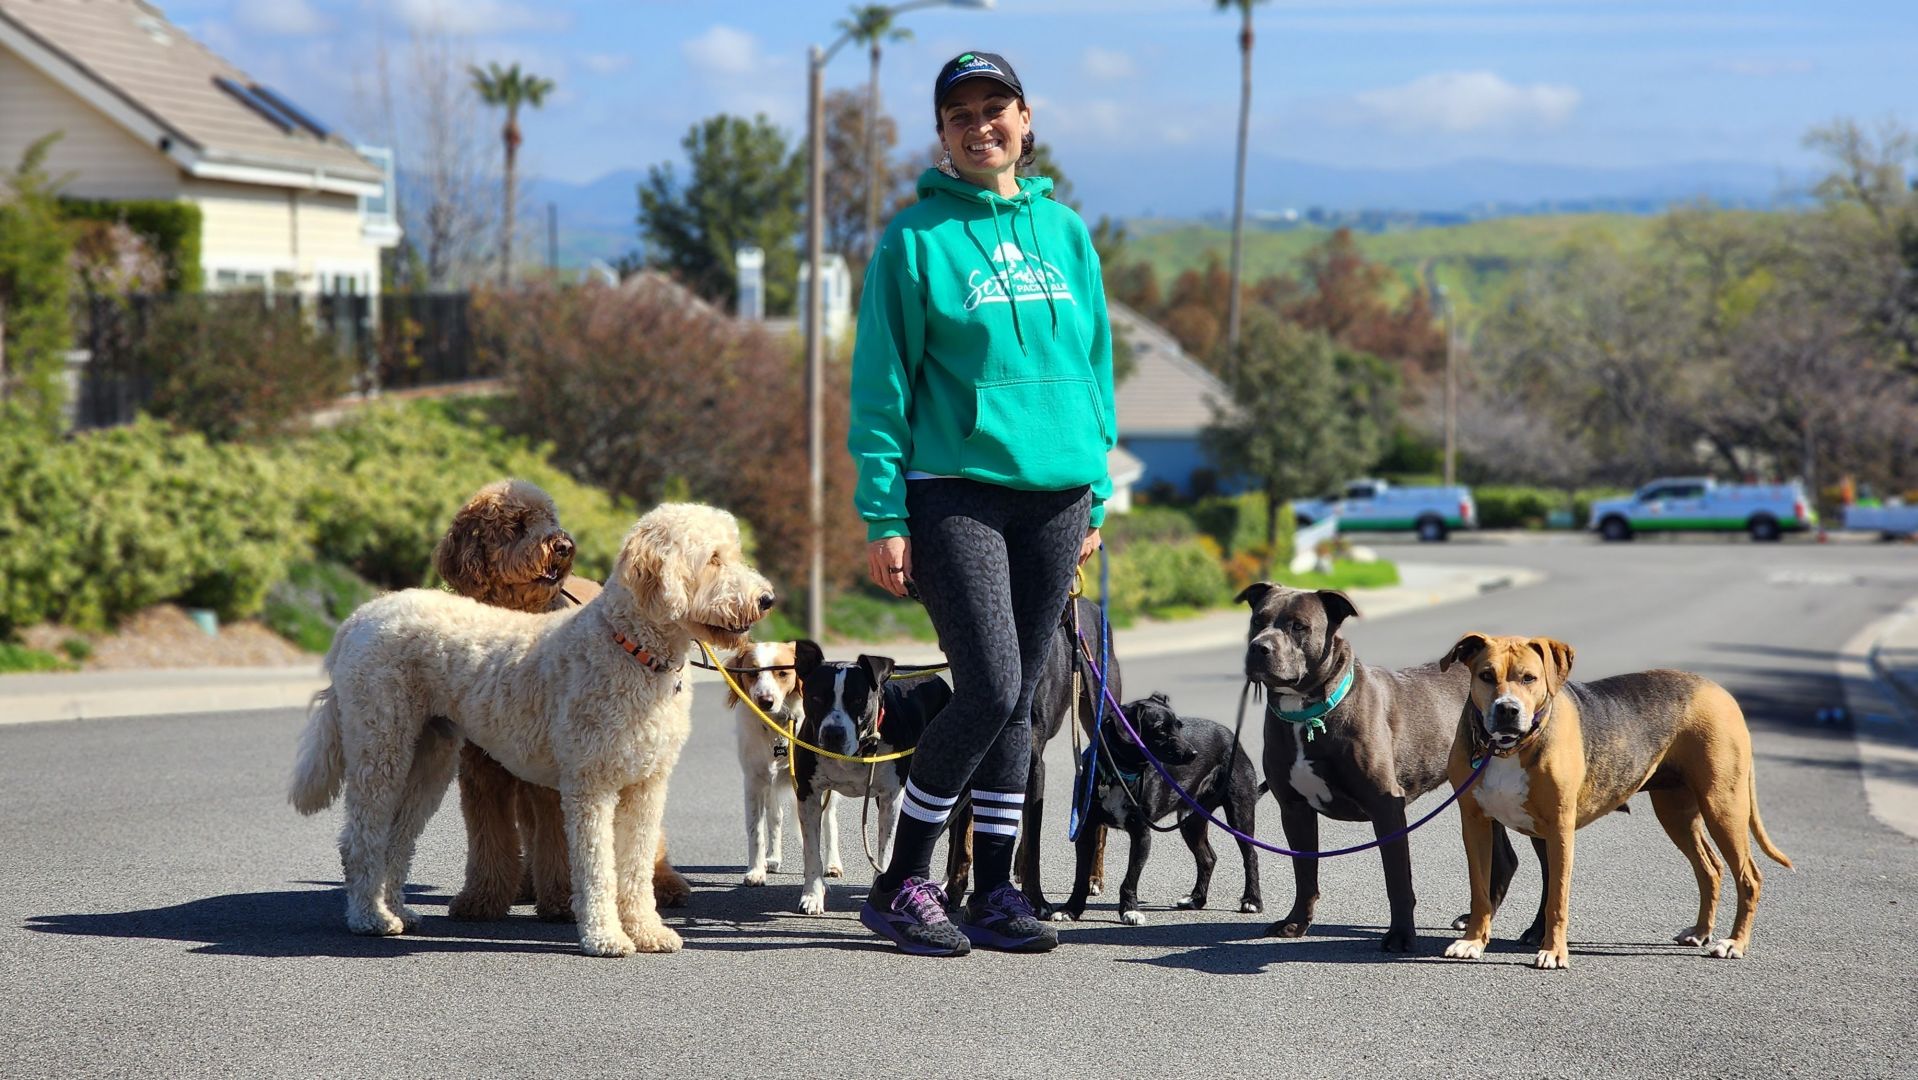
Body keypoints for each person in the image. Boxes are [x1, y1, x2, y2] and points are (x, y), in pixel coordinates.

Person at [847, 50, 1116, 957]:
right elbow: (881, 387)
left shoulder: (1066, 233)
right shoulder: (914, 240)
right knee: (993, 685)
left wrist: (1096, 494)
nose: (978, 125)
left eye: (994, 108)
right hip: (953, 490)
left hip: (1058, 495)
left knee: (1024, 699)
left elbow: (1094, 363)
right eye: (958, 115)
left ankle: (995, 889)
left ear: (1025, 120)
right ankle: (901, 881)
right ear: (942, 134)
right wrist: (884, 514)